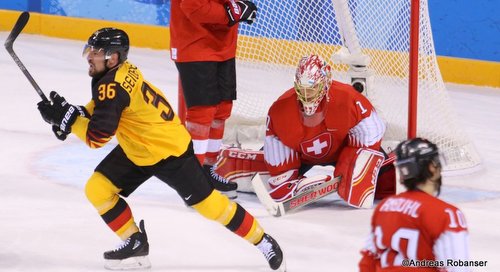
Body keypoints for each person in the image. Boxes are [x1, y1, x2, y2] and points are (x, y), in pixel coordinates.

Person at [36, 27, 285, 271]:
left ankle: (263, 240)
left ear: (112, 58)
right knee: (98, 189)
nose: (90, 56)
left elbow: (97, 137)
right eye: (90, 50)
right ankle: (135, 242)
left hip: (168, 150)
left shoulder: (112, 86)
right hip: (140, 147)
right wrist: (74, 113)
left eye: (96, 52)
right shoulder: (122, 71)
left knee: (211, 205)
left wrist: (68, 120)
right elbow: (103, 107)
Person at [212, 54, 396, 209]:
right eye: (303, 89)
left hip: (344, 151)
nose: (307, 96)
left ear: (325, 83)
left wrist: (355, 168)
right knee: (273, 182)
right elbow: (277, 153)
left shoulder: (348, 99)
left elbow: (372, 131)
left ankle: (399, 165)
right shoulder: (281, 110)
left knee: (382, 178)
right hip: (302, 157)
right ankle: (229, 161)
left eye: (313, 89)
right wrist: (284, 179)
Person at [169, 0, 258, 199]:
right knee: (202, 113)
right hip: (194, 46)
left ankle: (208, 171)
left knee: (221, 110)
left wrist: (238, 8)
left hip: (223, 47)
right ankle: (192, 179)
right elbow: (192, 6)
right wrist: (230, 13)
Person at [359, 137, 470, 271]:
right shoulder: (447, 215)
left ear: (402, 174)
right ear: (432, 168)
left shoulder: (384, 207)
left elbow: (368, 259)